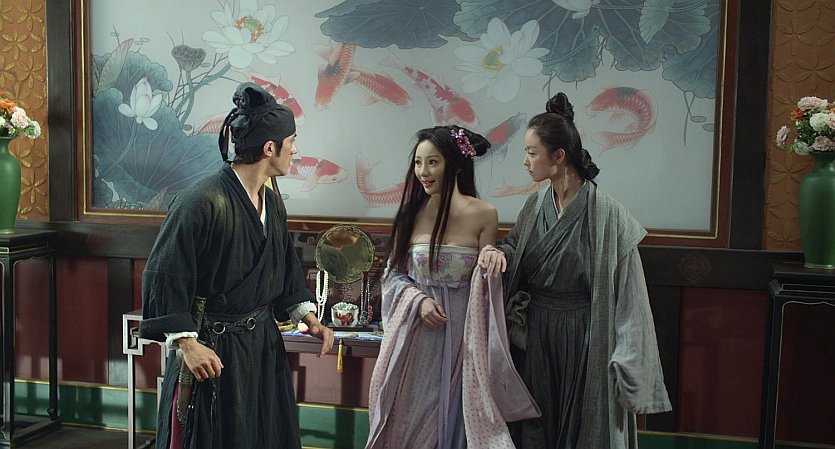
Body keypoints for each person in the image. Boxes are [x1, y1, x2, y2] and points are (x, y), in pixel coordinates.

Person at [139, 82, 334, 449]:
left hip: (261, 346)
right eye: (292, 141)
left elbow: (283, 265)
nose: (295, 149)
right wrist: (188, 345)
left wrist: (307, 316)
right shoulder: (201, 201)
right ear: (270, 148)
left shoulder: (271, 203)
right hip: (213, 350)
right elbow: (165, 274)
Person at [479, 93, 672, 449]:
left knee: (584, 425)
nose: (525, 161)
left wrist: (627, 357)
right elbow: (515, 248)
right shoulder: (535, 205)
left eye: (531, 153)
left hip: (586, 334)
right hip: (538, 334)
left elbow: (630, 295)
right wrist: (496, 253)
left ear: (558, 156)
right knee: (538, 427)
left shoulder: (608, 214)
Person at [366, 126, 539, 449]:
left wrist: (492, 258)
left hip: (465, 335)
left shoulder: (484, 214)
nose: (423, 172)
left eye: (433, 162)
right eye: (418, 163)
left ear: (456, 166)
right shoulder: (411, 215)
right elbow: (393, 276)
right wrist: (418, 301)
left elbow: (486, 282)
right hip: (418, 336)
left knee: (463, 418)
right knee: (411, 418)